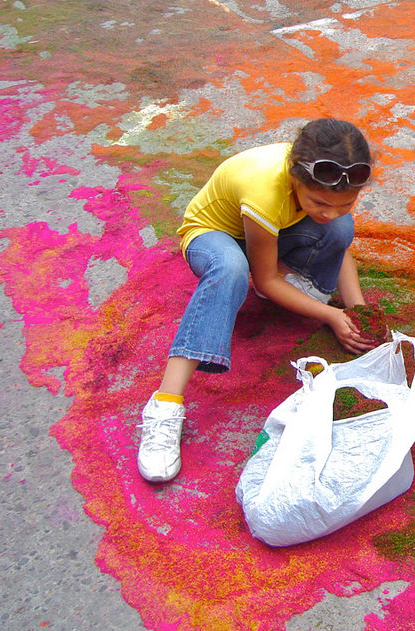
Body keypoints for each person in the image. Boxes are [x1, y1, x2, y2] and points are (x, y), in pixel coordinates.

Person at [137, 118, 379, 483]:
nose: (329, 211)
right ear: (296, 178)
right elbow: (263, 280)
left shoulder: (332, 177)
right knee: (232, 269)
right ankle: (164, 406)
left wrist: (356, 309)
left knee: (341, 229)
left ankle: (299, 286)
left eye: (344, 203)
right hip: (213, 238)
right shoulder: (266, 189)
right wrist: (329, 314)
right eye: (319, 202)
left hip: (268, 232)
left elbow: (341, 244)